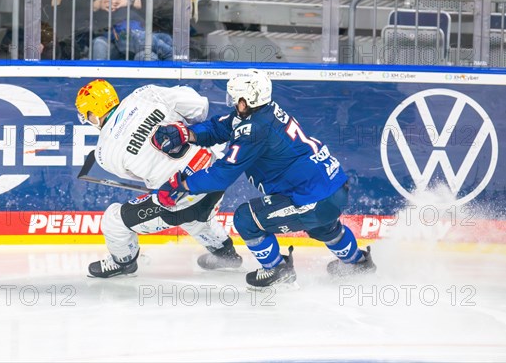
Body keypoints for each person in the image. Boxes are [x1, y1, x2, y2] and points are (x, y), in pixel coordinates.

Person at [152, 69, 377, 289]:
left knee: (246, 219)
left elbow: (222, 174)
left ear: (246, 100)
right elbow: (222, 126)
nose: (232, 102)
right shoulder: (263, 112)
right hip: (332, 186)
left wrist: (181, 185)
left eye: (235, 98)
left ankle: (277, 269)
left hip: (313, 198)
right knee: (324, 227)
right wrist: (188, 134)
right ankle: (357, 263)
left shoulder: (254, 129)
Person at [75, 79, 243, 278]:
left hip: (184, 195)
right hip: (213, 171)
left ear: (93, 115)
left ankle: (124, 263)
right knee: (193, 215)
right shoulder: (145, 94)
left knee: (114, 220)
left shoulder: (104, 151)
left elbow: (138, 175)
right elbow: (199, 107)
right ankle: (226, 254)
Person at [90, 0, 173, 61]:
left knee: (143, 56)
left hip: (151, 35)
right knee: (99, 44)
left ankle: (170, 56)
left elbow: (165, 9)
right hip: (119, 38)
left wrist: (133, 1)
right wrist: (98, 4)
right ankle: (100, 76)